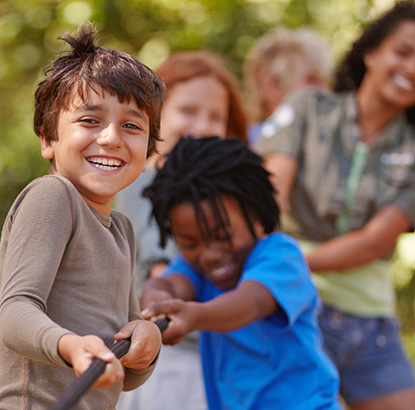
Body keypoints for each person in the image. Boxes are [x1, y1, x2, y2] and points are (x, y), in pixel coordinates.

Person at [255, 2, 415, 409]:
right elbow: (267, 198)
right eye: (403, 52)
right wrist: (280, 275)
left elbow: (375, 242)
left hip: (369, 324)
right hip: (291, 309)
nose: (414, 68)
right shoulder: (307, 107)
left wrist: (295, 262)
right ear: (371, 52)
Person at [0, 24, 165, 410]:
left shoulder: (122, 228)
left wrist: (147, 340)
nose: (111, 138)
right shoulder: (54, 196)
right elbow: (13, 312)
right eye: (90, 120)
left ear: (148, 152)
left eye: (131, 126)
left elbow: (123, 373)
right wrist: (70, 346)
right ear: (48, 139)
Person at [140, 136, 342, 410]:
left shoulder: (280, 256)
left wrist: (194, 316)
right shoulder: (195, 269)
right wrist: (155, 303)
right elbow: (168, 285)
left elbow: (251, 302)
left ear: (256, 215)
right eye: (190, 243)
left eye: (223, 235)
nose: (209, 254)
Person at [115, 50, 248, 410]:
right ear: (155, 115)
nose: (202, 126)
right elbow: (159, 268)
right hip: (171, 361)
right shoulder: (145, 180)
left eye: (216, 117)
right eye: (188, 111)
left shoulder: (218, 197)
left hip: (217, 358)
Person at [243, 27, 333, 148]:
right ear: (273, 86)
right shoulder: (246, 146)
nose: (325, 91)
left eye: (324, 81)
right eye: (311, 80)